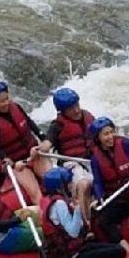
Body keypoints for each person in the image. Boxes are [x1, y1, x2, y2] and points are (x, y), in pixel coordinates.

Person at [0, 81, 52, 205]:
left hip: (34, 153)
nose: (6, 103)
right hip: (17, 163)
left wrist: (43, 137)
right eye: (2, 101)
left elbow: (29, 123)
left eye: (7, 98)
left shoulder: (16, 107)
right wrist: (8, 161)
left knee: (53, 178)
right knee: (35, 193)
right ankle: (47, 217)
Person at [39, 168, 126, 258]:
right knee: (119, 251)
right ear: (59, 188)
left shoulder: (54, 201)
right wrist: (78, 209)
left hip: (76, 249)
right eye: (69, 183)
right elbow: (73, 232)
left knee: (113, 247)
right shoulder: (59, 204)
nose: (72, 185)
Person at [89, 117, 129, 249]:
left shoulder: (125, 144)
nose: (110, 137)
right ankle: (125, 247)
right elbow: (98, 181)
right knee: (104, 221)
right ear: (98, 137)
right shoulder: (95, 158)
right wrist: (99, 196)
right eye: (106, 134)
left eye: (112, 132)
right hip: (120, 199)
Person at [46, 87, 95, 223]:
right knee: (83, 184)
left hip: (91, 159)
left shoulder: (88, 116)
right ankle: (86, 222)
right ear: (62, 111)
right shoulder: (57, 126)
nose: (76, 110)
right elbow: (47, 143)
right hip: (72, 163)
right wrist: (41, 147)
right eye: (71, 108)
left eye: (77, 105)